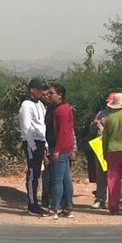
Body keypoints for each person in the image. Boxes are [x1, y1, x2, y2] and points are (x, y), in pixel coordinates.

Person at [19, 79, 48, 215]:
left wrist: (45, 143)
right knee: (32, 173)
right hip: (32, 142)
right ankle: (32, 203)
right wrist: (32, 146)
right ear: (32, 90)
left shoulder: (41, 105)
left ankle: (36, 201)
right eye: (39, 89)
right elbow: (26, 127)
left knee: (37, 173)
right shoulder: (26, 105)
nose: (41, 92)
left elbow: (43, 125)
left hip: (41, 140)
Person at [46, 84, 75, 219]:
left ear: (60, 95)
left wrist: (57, 150)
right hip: (64, 147)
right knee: (65, 179)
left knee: (57, 180)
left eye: (52, 93)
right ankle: (68, 207)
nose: (49, 95)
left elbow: (63, 131)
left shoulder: (61, 110)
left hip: (60, 148)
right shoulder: (58, 108)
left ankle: (54, 209)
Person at [87, 94, 116, 209]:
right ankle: (100, 199)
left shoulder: (119, 115)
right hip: (100, 144)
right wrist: (94, 124)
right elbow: (92, 130)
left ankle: (115, 199)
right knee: (100, 174)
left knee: (115, 175)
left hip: (113, 146)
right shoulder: (101, 113)